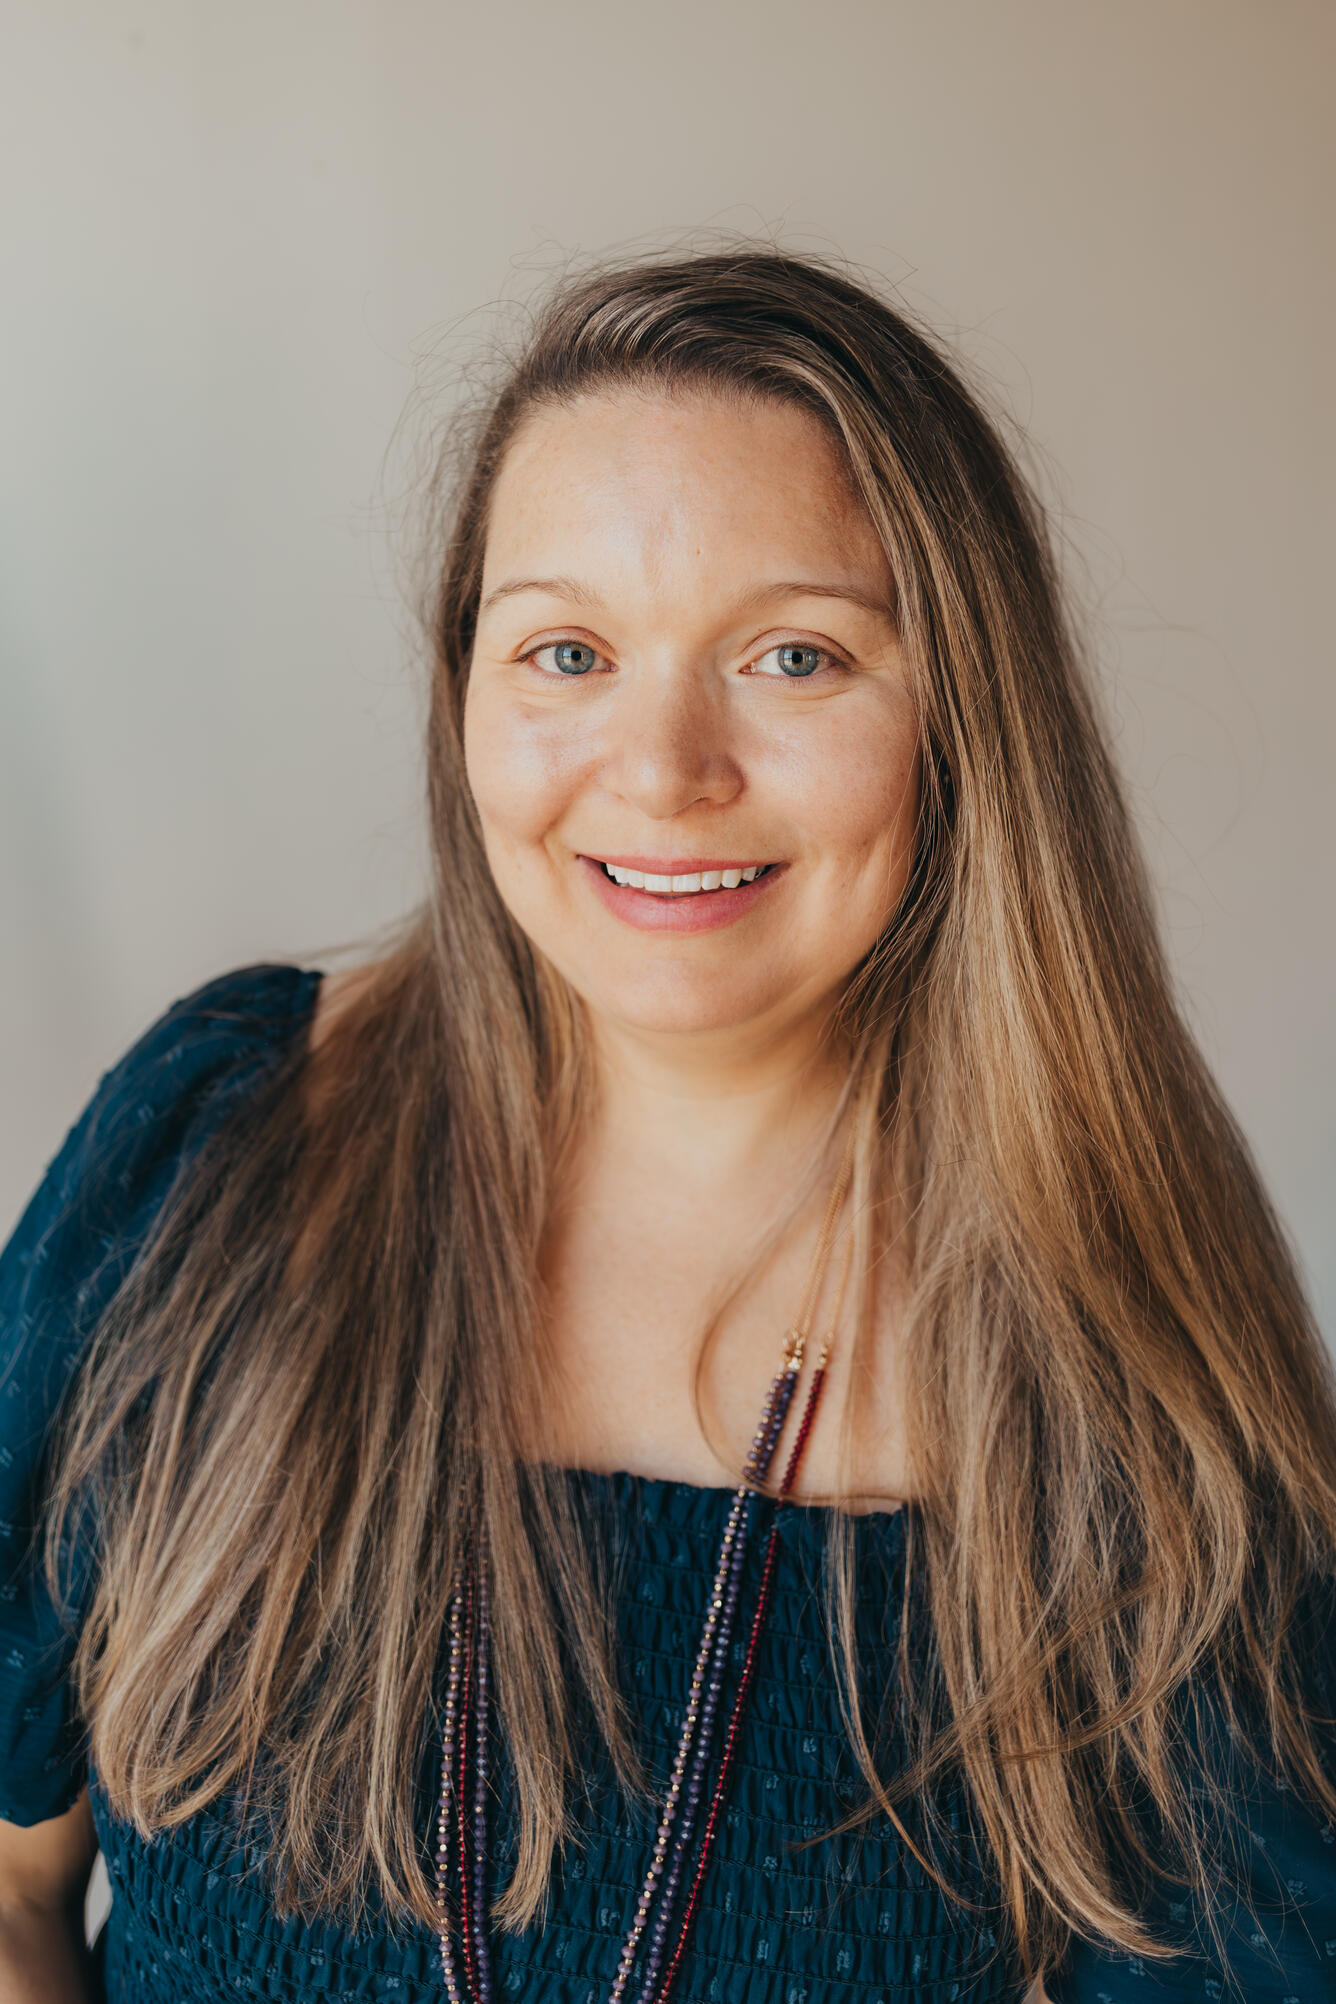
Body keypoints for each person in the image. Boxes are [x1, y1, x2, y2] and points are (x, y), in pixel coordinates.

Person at [1, 247, 1334, 2004]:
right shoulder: (213, 1144)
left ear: (964, 715)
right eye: (566, 648)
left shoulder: (1125, 1369)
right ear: (463, 692)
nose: (660, 766)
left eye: (793, 655)